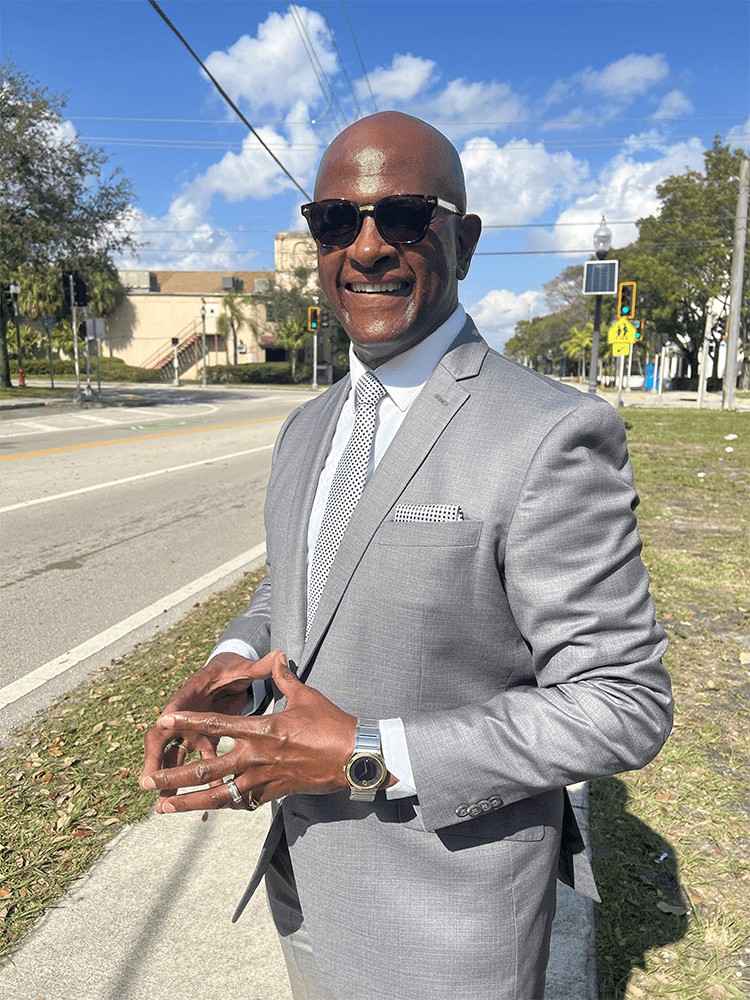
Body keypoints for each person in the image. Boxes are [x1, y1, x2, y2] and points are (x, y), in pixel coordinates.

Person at [140, 111, 673, 1000]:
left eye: (405, 216)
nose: (368, 247)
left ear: (463, 240)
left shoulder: (547, 435)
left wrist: (366, 753)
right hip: (302, 884)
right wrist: (236, 663)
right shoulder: (306, 429)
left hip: (448, 925)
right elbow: (299, 581)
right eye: (336, 221)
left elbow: (622, 703)